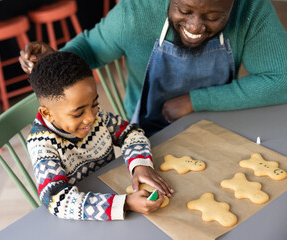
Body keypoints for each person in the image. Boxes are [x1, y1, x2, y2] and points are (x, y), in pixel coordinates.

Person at [20, 0, 287, 137]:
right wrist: (55, 59)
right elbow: (89, 49)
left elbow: (282, 78)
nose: (195, 27)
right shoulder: (136, 12)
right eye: (184, 9)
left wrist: (194, 101)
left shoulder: (251, 8)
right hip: (146, 134)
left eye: (213, 17)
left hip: (221, 118)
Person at [26, 51, 173, 220]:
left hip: (113, 188)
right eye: (78, 113)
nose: (90, 117)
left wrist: (139, 164)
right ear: (48, 114)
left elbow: (129, 133)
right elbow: (58, 201)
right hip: (86, 217)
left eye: (94, 104)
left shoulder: (97, 117)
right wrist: (125, 204)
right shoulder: (42, 145)